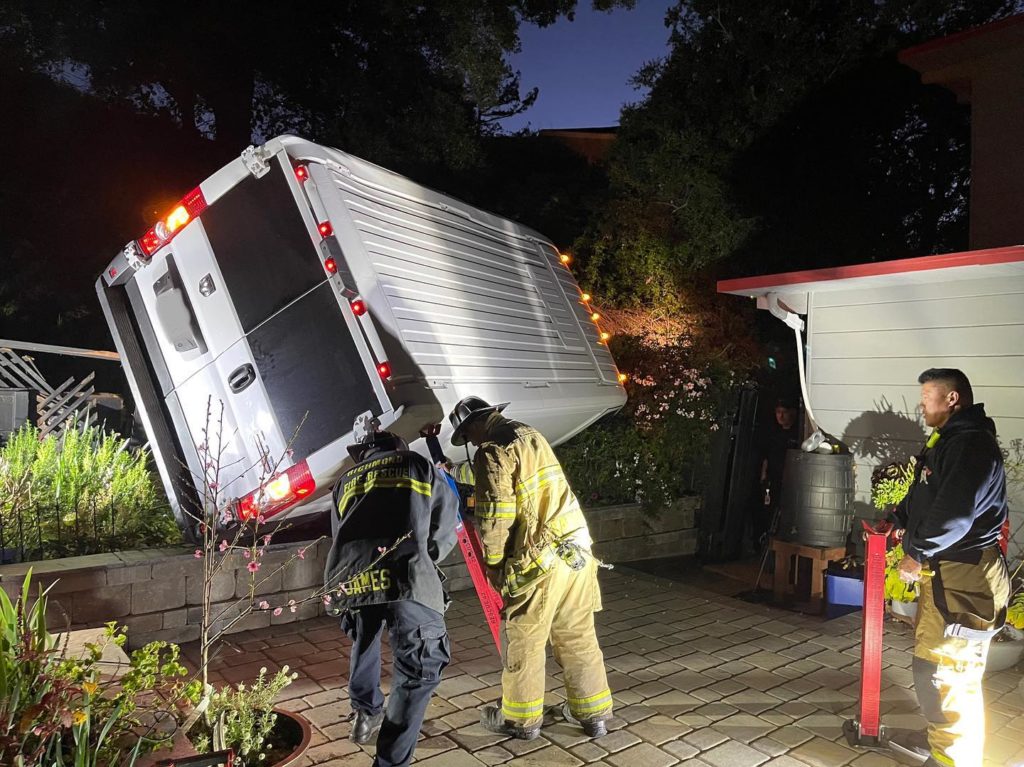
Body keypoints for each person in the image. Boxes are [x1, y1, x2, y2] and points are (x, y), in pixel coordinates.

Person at [447, 395, 612, 740]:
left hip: (539, 561)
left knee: (525, 639)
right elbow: (509, 476)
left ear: (476, 425)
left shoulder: (491, 451)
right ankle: (593, 715)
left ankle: (521, 721)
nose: (471, 443)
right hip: (577, 551)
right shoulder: (527, 434)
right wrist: (456, 472)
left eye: (469, 436)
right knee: (577, 635)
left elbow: (495, 517)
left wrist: (494, 565)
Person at [885, 369, 1011, 767]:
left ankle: (953, 757)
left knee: (946, 671)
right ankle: (940, 740)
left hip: (964, 574)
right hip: (950, 572)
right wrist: (900, 517)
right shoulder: (951, 441)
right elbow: (931, 492)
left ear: (953, 399)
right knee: (933, 664)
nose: (922, 405)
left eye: (928, 397)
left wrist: (916, 552)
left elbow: (955, 514)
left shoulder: (971, 444)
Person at [322, 430, 460, 767]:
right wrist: (424, 559)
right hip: (406, 574)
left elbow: (339, 533)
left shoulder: (344, 481)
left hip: (354, 578)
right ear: (397, 447)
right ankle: (390, 761)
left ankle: (364, 712)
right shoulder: (417, 464)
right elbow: (444, 527)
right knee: (418, 670)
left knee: (365, 638)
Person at [754, 397, 800, 550]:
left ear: (792, 413)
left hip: (789, 480)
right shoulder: (773, 432)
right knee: (768, 510)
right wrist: (763, 476)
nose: (780, 416)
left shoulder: (798, 433)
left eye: (784, 413)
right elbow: (766, 456)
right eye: (778, 412)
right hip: (773, 478)